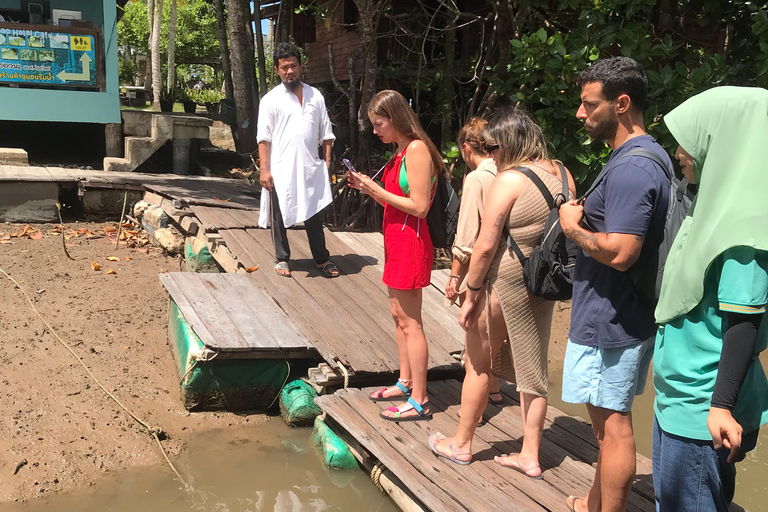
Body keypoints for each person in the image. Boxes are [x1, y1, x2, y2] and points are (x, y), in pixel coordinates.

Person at [429, 107, 576, 471]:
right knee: (533, 370)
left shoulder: (509, 179)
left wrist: (472, 290)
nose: (491, 155)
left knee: (478, 366)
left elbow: (485, 245)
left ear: (510, 141)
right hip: (543, 281)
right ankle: (530, 455)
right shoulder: (564, 174)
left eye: (493, 147)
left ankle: (461, 444)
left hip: (504, 282)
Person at [558, 57, 671, 512]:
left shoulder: (632, 169)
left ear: (621, 103)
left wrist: (573, 230)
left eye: (589, 105)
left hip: (613, 315)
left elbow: (622, 252)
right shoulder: (643, 156)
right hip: (616, 312)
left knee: (613, 427)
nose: (580, 114)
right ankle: (593, 502)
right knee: (605, 425)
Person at [652, 86, 768, 512]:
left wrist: (720, 407)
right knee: (672, 500)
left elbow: (744, 323)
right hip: (676, 394)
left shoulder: (746, 231)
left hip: (702, 406)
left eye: (690, 139)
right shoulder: (709, 205)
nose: (679, 152)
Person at [348, 90, 443, 421]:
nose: (375, 131)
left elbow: (420, 207)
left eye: (379, 123)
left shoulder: (416, 150)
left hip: (412, 243)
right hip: (396, 240)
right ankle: (405, 382)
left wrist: (374, 189)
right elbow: (393, 202)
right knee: (398, 317)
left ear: (396, 118)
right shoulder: (399, 152)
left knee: (411, 322)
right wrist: (367, 189)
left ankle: (419, 399)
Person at [257, 42, 340, 279]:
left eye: (293, 66)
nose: (289, 71)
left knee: (313, 213)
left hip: (309, 165)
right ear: (277, 70)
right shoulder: (270, 100)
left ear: (300, 66)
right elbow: (263, 138)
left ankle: (322, 258)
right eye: (284, 67)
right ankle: (282, 258)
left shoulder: (316, 96)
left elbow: (326, 132)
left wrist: (325, 161)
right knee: (279, 214)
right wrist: (264, 170)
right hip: (280, 167)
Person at [444, 118, 502, 413]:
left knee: (474, 346)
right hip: (508, 270)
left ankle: (472, 415)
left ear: (466, 148)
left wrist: (455, 277)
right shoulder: (507, 171)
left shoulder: (477, 178)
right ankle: (494, 391)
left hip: (483, 271)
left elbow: (468, 237)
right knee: (492, 336)